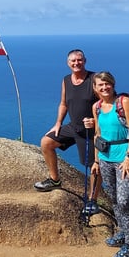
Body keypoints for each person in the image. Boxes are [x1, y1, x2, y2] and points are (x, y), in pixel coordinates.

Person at [34, 49, 101, 215]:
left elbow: (106, 103)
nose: (76, 63)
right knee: (46, 142)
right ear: (68, 63)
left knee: (93, 166)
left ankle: (93, 201)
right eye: (73, 61)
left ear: (85, 60)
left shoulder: (94, 79)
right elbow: (63, 103)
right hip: (73, 126)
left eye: (79, 60)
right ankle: (55, 180)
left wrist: (95, 121)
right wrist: (58, 123)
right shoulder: (66, 80)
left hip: (92, 131)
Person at [90, 71, 129, 257]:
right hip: (104, 159)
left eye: (107, 84)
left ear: (113, 84)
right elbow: (97, 135)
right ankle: (121, 231)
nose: (104, 88)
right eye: (100, 85)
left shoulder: (124, 102)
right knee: (113, 199)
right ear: (95, 88)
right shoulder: (96, 107)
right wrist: (96, 161)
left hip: (123, 161)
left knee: (123, 201)